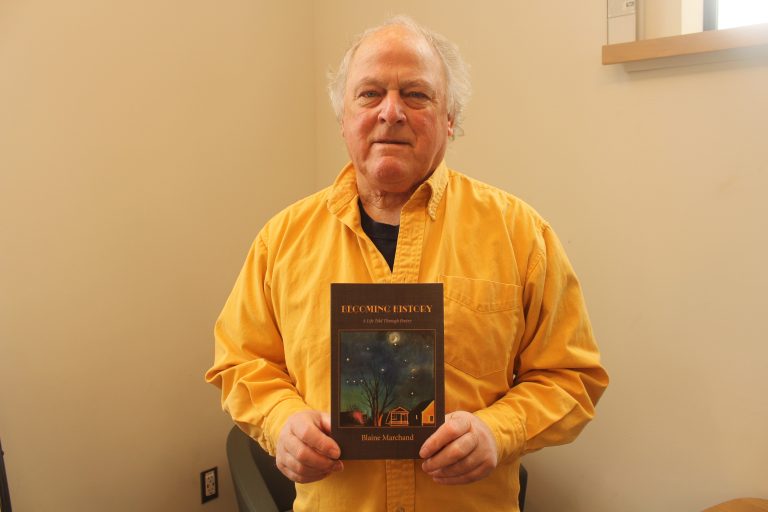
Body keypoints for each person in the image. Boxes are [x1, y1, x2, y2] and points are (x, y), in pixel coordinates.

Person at [206, 15, 608, 512]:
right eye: (369, 93)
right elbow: (241, 362)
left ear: (450, 118)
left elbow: (573, 377)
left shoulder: (522, 235)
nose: (390, 111)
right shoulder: (281, 240)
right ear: (343, 118)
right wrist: (280, 420)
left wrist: (497, 431)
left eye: (416, 94)